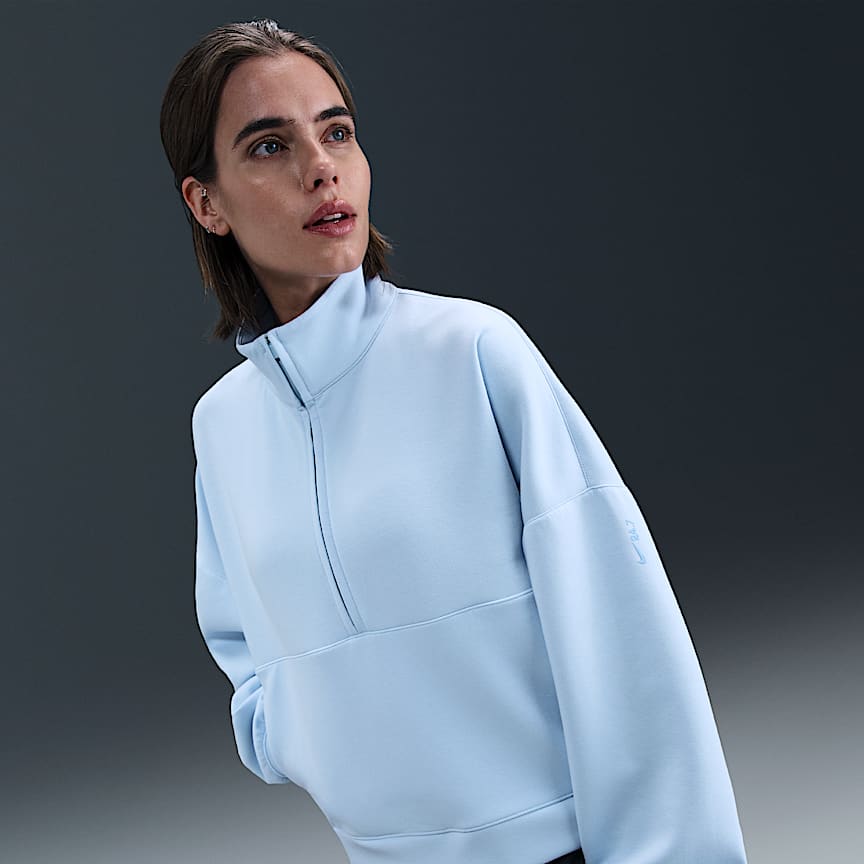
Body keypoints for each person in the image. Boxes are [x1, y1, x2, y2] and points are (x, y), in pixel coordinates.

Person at [159, 18, 748, 864]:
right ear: (205, 202)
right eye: (269, 146)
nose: (322, 168)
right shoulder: (222, 426)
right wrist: (287, 723)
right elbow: (241, 642)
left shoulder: (472, 352)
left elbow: (624, 633)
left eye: (337, 132)